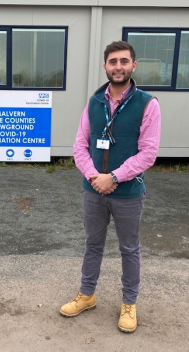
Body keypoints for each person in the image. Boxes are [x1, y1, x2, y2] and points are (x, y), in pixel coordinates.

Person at [59, 41, 161, 333]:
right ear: (105, 67)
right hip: (93, 191)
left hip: (128, 193)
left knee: (129, 248)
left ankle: (129, 303)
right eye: (113, 62)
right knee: (93, 245)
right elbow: (80, 145)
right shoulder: (94, 102)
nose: (118, 67)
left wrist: (113, 177)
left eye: (124, 61)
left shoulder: (147, 103)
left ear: (133, 66)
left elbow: (148, 153)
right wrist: (95, 177)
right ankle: (87, 295)